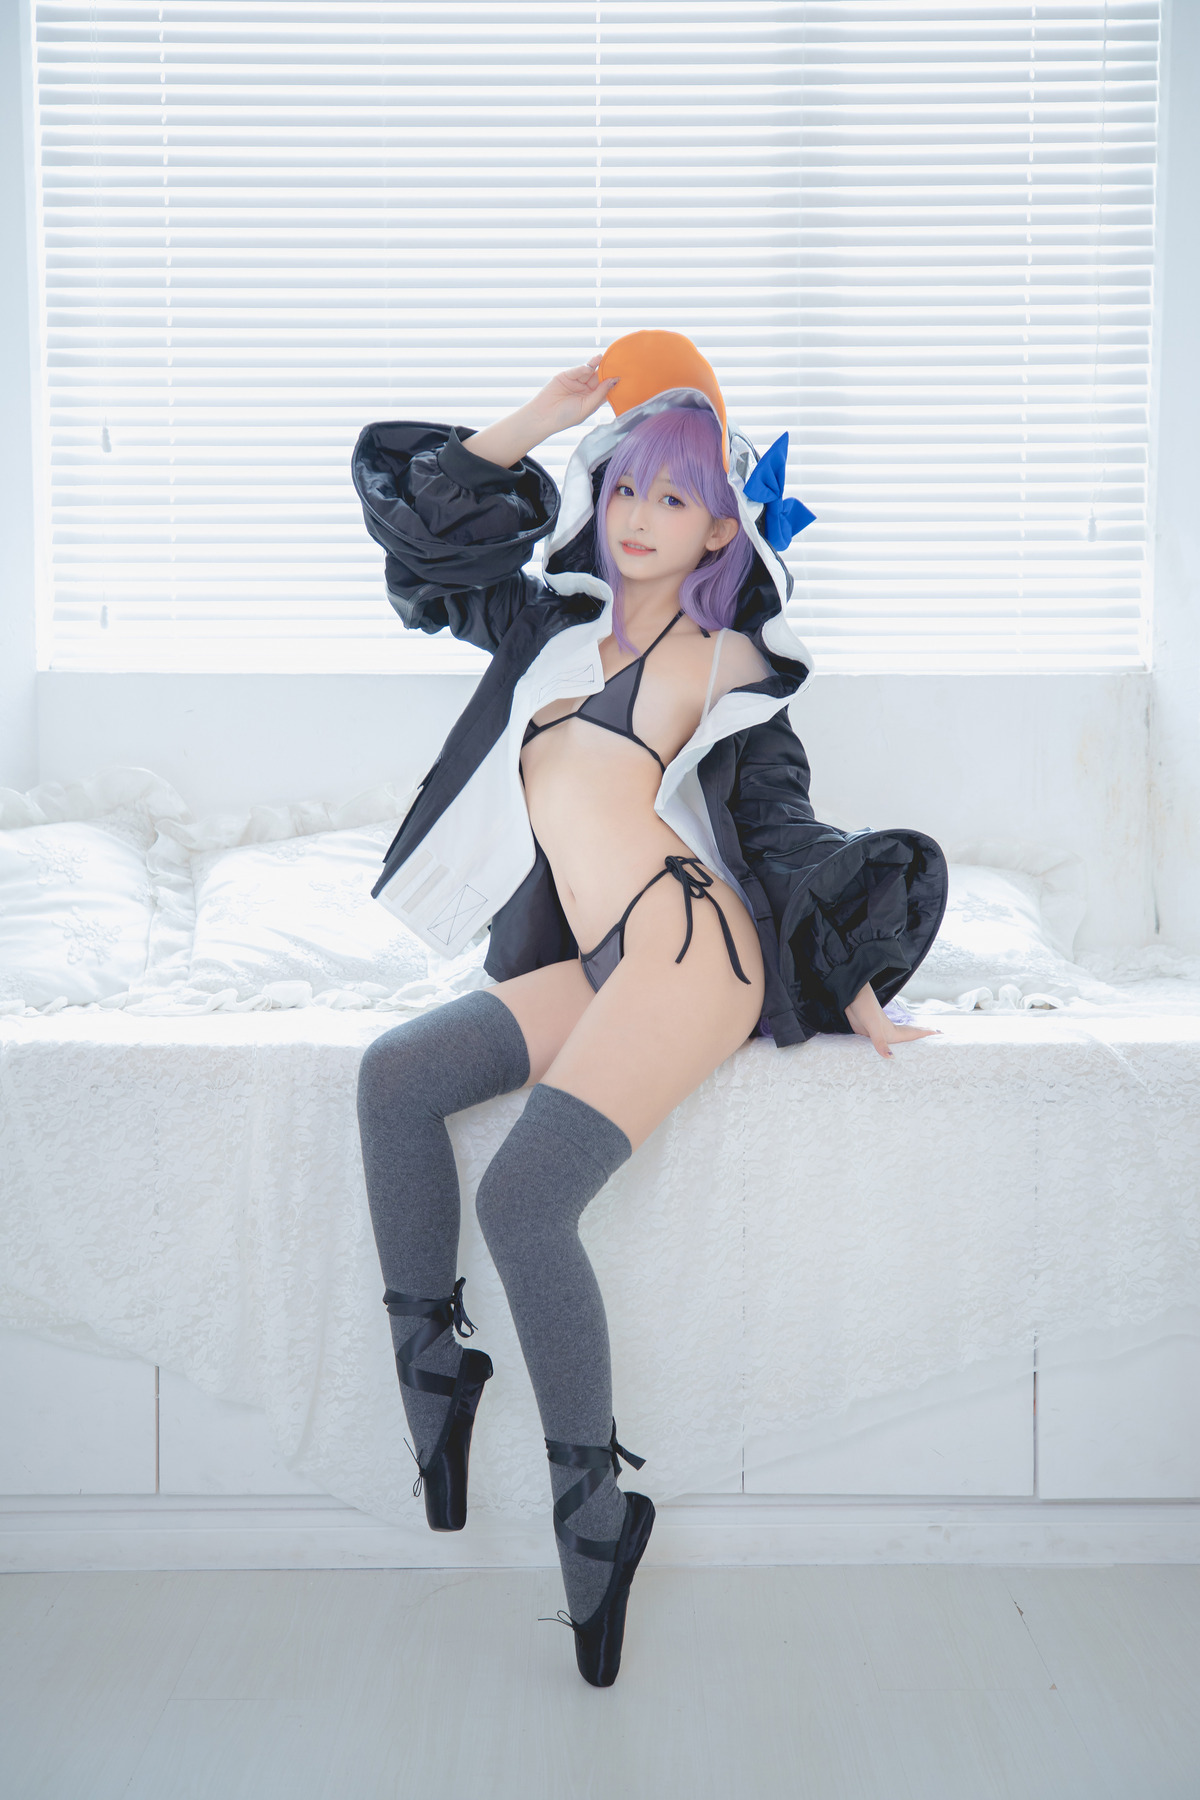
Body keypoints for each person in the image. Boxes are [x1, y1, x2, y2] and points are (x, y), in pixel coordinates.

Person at [351, 331, 947, 1686]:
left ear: (721, 527)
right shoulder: (546, 630)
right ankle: (437, 1374)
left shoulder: (730, 662)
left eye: (675, 497)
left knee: (522, 1200)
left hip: (692, 949)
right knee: (395, 1080)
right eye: (625, 485)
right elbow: (425, 536)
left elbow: (779, 830)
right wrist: (544, 412)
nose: (638, 516)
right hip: (603, 957)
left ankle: (595, 1510)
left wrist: (852, 981)